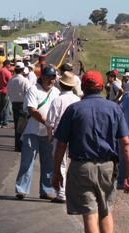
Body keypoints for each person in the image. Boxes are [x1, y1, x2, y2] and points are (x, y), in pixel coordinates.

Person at [52, 71, 129, 233]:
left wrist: (56, 173)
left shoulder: (74, 109)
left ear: (82, 87)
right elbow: (126, 143)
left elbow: (61, 145)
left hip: (81, 168)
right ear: (101, 88)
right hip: (108, 167)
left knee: (90, 214)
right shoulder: (114, 108)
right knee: (106, 210)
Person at [15, 65, 60, 200]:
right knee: (27, 162)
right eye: (48, 77)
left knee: (48, 164)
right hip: (32, 131)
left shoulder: (56, 92)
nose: (50, 80)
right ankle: (21, 189)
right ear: (42, 77)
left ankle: (46, 190)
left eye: (53, 78)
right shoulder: (33, 89)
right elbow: (31, 110)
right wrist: (46, 122)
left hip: (49, 134)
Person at [46, 71, 81, 204]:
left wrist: (50, 137)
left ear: (61, 84)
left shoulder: (57, 100)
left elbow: (50, 122)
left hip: (60, 136)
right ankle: (72, 192)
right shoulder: (77, 100)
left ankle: (61, 193)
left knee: (61, 164)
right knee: (73, 165)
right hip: (75, 137)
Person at [7, 62, 32, 152]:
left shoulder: (11, 79)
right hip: (23, 105)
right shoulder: (25, 81)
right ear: (22, 70)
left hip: (14, 104)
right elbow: (29, 93)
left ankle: (17, 145)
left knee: (17, 125)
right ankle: (22, 146)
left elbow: (8, 92)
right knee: (23, 126)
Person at [0, 60, 12, 128]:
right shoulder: (7, 72)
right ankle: (4, 123)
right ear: (7, 64)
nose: (10, 66)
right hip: (5, 91)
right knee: (6, 108)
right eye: (9, 65)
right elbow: (11, 82)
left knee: (0, 107)